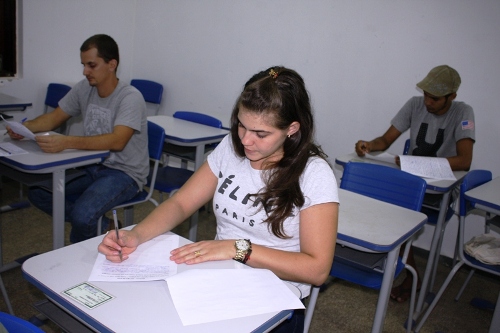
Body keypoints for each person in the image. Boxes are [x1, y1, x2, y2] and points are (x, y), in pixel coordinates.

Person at [98, 66, 339, 332]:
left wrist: (238, 248)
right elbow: (182, 202)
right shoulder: (230, 147)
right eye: (241, 126)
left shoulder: (314, 174)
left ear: (292, 129)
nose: (246, 140)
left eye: (261, 134)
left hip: (275, 299)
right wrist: (137, 235)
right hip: (217, 279)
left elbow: (317, 269)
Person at [6, 34, 149, 243]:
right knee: (38, 192)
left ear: (112, 64)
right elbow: (54, 118)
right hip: (91, 164)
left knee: (82, 214)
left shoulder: (129, 97)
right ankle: (102, 225)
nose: (85, 71)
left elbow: (118, 141)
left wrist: (67, 142)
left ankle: (84, 242)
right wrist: (24, 127)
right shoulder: (85, 88)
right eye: (83, 65)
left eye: (91, 65)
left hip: (124, 173)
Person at [355, 65, 475, 303]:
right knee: (378, 199)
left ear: (452, 96)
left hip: (440, 190)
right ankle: (389, 264)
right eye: (426, 95)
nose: (428, 102)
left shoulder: (463, 113)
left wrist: (417, 162)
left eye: (435, 98)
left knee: (395, 213)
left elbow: (465, 161)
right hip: (411, 181)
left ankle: (411, 276)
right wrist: (369, 144)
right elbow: (386, 140)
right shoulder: (414, 104)